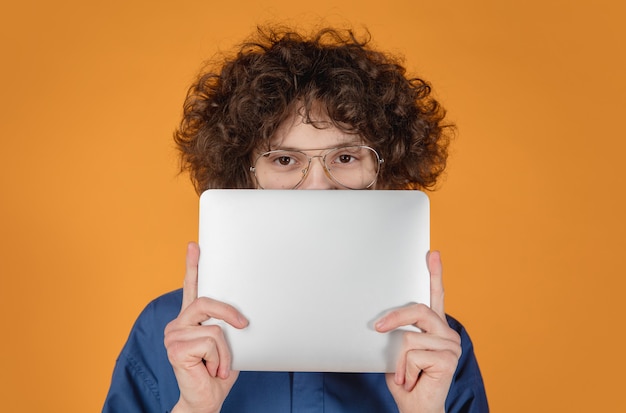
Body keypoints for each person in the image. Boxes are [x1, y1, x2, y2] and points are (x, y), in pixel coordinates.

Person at [103, 26, 489, 413]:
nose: (317, 188)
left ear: (385, 171)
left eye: (346, 157)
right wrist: (193, 406)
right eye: (285, 160)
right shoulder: (165, 330)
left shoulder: (435, 346)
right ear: (244, 175)